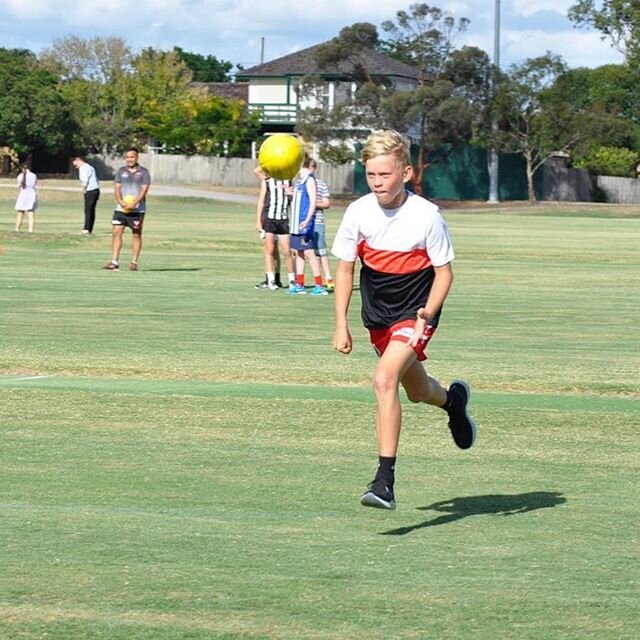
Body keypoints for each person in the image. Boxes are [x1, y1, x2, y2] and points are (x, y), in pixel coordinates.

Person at [331, 130, 476, 511]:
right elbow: (345, 270)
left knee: (383, 379)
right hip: (378, 312)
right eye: (371, 176)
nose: (378, 183)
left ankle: (384, 482)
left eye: (386, 175)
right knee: (416, 391)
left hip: (416, 311)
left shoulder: (426, 216)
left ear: (407, 172)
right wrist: (341, 323)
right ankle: (453, 402)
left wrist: (427, 314)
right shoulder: (358, 212)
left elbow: (444, 274)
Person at [103, 147, 151, 271]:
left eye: (132, 157)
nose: (130, 159)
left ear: (137, 157)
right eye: (127, 157)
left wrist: (135, 203)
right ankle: (114, 261)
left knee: (136, 234)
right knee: (116, 233)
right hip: (121, 208)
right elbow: (117, 188)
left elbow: (144, 189)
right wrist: (120, 201)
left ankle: (134, 262)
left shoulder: (144, 172)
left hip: (137, 210)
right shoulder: (121, 171)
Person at [288, 157, 328, 296]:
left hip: (304, 223)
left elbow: (312, 201)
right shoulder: (300, 181)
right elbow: (299, 199)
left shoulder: (309, 180)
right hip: (296, 224)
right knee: (299, 252)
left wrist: (307, 219)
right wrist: (289, 193)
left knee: (309, 253)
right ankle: (300, 284)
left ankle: (319, 285)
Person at [254, 166, 294, 289]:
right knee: (269, 249)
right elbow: (261, 200)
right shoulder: (267, 181)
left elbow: (292, 200)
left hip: (282, 219)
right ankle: (270, 280)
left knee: (287, 250)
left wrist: (291, 194)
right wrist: (258, 220)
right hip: (269, 218)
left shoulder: (288, 180)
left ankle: (292, 280)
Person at [308, 159, 334, 291]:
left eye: (311, 168)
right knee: (307, 252)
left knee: (321, 251)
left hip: (317, 221)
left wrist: (313, 204)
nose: (309, 170)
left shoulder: (320, 185)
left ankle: (328, 277)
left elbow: (326, 203)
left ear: (314, 169)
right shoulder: (301, 184)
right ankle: (315, 279)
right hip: (304, 224)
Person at [72, 155, 100, 234]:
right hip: (96, 190)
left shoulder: (83, 168)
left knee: (88, 210)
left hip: (90, 190)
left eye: (75, 164)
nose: (76, 167)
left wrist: (83, 189)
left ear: (78, 160)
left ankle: (86, 228)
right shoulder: (90, 167)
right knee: (92, 210)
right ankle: (89, 228)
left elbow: (84, 180)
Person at [14, 163, 38, 233]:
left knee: (20, 212)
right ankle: (30, 229)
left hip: (23, 194)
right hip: (31, 194)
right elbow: (35, 183)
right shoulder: (33, 175)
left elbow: (18, 185)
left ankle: (17, 228)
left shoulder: (20, 176)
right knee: (30, 212)